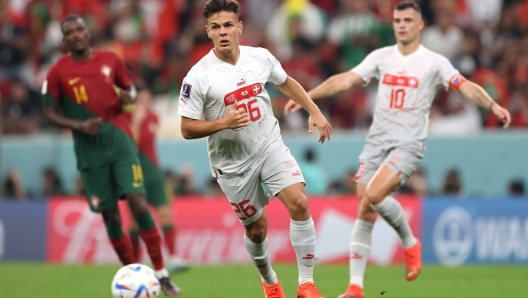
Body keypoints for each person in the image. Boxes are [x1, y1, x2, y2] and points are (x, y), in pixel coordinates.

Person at [284, 2, 511, 297]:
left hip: (409, 143)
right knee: (365, 207)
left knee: (376, 195)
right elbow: (345, 80)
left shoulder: (434, 62)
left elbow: (465, 86)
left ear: (420, 25)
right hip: (376, 141)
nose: (402, 24)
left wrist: (493, 105)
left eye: (408, 20)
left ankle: (409, 240)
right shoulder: (382, 56)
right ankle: (355, 287)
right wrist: (308, 97)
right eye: (397, 20)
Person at [178, 1, 333, 297]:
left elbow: (285, 83)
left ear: (239, 27)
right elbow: (186, 128)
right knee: (257, 230)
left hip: (269, 145)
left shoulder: (260, 57)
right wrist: (223, 122)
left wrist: (313, 109)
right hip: (233, 164)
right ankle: (269, 280)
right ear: (208, 32)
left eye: (227, 25)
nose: (223, 32)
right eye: (215, 27)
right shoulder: (198, 76)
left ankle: (306, 283)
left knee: (299, 203)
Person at [41, 15, 180, 296]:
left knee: (139, 205)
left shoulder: (111, 60)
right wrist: (79, 125)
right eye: (70, 32)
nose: (77, 34)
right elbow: (48, 112)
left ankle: (162, 273)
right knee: (112, 218)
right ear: (64, 40)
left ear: (88, 32)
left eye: (81, 28)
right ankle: (133, 274)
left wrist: (128, 96)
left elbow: (128, 88)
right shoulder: (58, 71)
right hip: (89, 152)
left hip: (121, 143)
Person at [127, 88, 189, 273]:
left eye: (148, 98)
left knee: (165, 213)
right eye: (142, 99)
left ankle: (173, 257)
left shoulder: (154, 117)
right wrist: (136, 121)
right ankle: (135, 261)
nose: (146, 103)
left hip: (153, 171)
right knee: (135, 220)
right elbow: (131, 144)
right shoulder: (127, 116)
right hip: (135, 172)